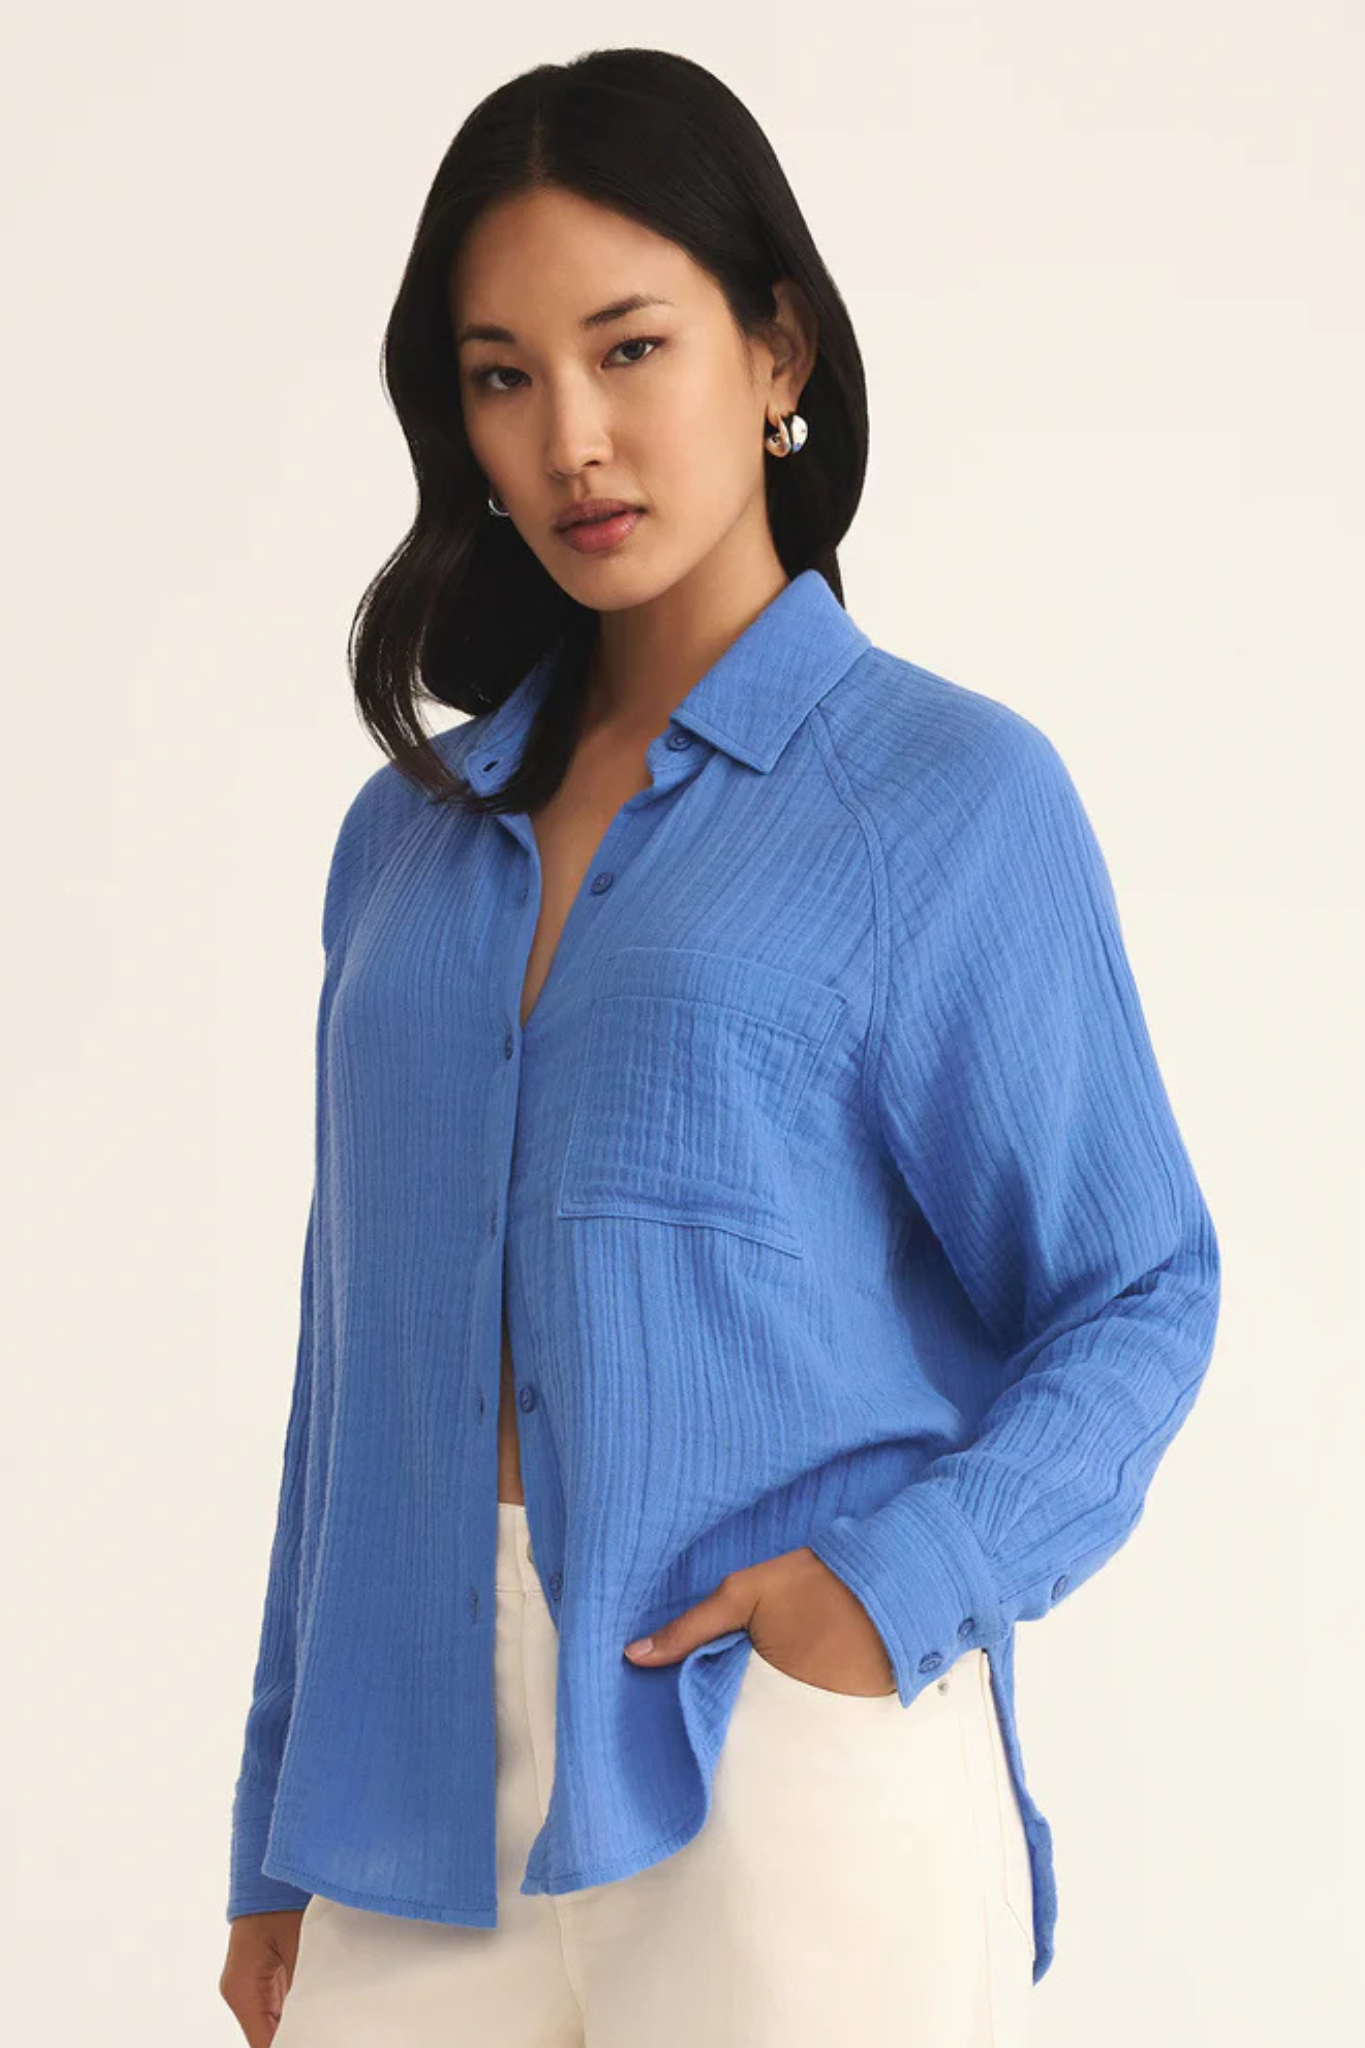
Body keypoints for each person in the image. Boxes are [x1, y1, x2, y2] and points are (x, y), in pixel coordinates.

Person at [218, 45, 1221, 2048]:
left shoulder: (943, 797)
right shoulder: (405, 841)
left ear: (777, 350)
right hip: (407, 1789)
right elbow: (348, 1368)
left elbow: (1138, 1291)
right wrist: (269, 1829)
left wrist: (887, 1591)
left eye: (628, 349)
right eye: (503, 376)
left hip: (780, 1763)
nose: (571, 439)